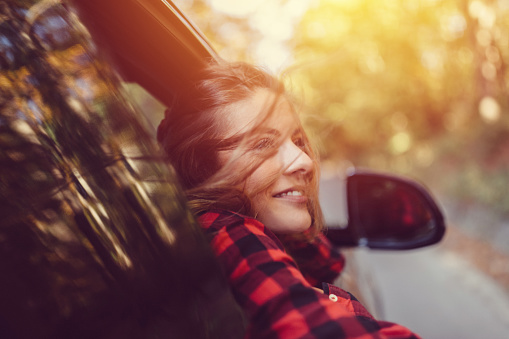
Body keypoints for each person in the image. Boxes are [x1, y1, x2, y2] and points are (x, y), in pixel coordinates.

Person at [157, 61, 419, 338]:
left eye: (297, 140)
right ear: (202, 167)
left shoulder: (274, 236)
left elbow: (327, 264)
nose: (304, 160)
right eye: (262, 144)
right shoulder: (228, 234)